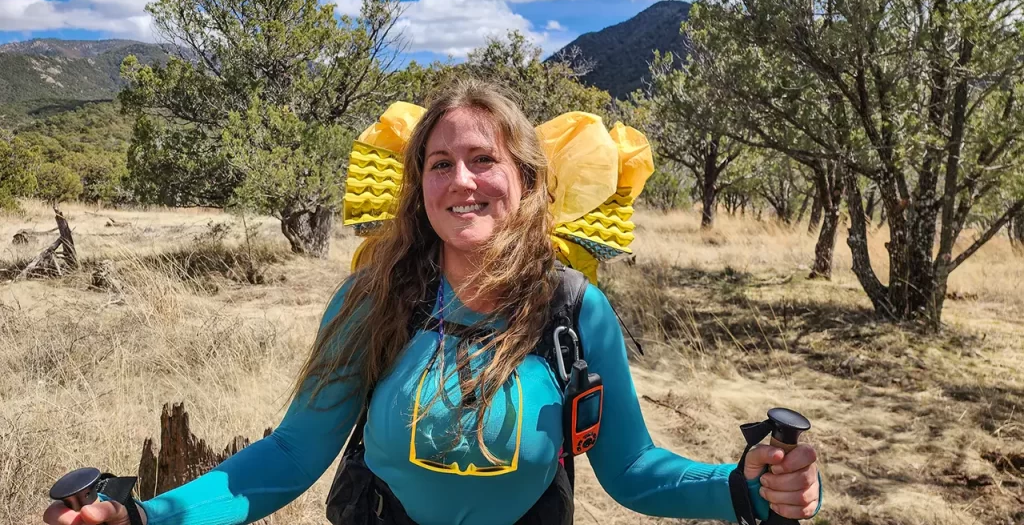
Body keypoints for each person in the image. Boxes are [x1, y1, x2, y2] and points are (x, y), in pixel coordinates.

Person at [43, 78, 821, 525]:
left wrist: (743, 484)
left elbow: (633, 470)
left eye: (484, 159)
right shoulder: (373, 299)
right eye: (440, 162)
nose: (462, 180)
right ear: (419, 187)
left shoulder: (574, 311)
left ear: (526, 182)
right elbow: (287, 456)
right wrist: (144, 515)